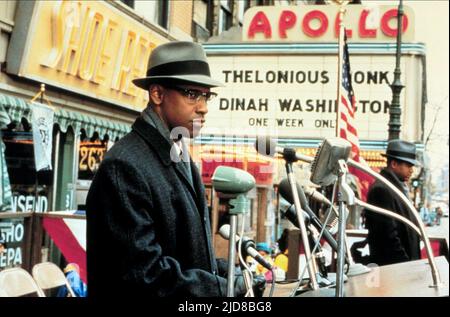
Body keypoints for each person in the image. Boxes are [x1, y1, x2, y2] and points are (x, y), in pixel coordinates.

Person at [86, 41, 264, 297]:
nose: (203, 107)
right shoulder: (124, 167)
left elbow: (185, 255)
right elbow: (143, 275)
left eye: (207, 95)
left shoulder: (178, 154)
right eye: (192, 94)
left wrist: (231, 273)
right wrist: (220, 287)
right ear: (157, 94)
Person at [364, 139, 421, 266]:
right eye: (408, 165)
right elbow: (388, 237)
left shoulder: (396, 187)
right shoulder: (382, 189)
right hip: (395, 269)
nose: (411, 170)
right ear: (394, 164)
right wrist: (405, 264)